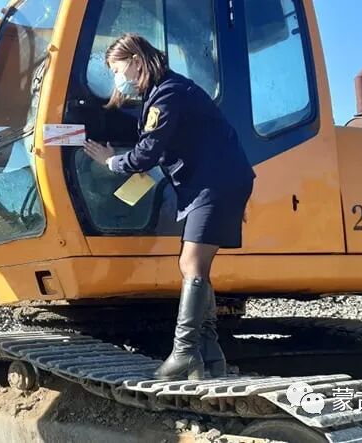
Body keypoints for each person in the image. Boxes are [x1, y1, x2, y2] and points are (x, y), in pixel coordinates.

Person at [83, 34, 256, 381]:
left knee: (191, 263)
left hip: (215, 183)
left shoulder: (168, 94)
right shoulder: (162, 94)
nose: (117, 78)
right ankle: (210, 355)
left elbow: (146, 154)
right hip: (209, 184)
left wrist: (110, 162)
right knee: (196, 266)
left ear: (135, 60)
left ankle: (184, 353)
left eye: (117, 69)